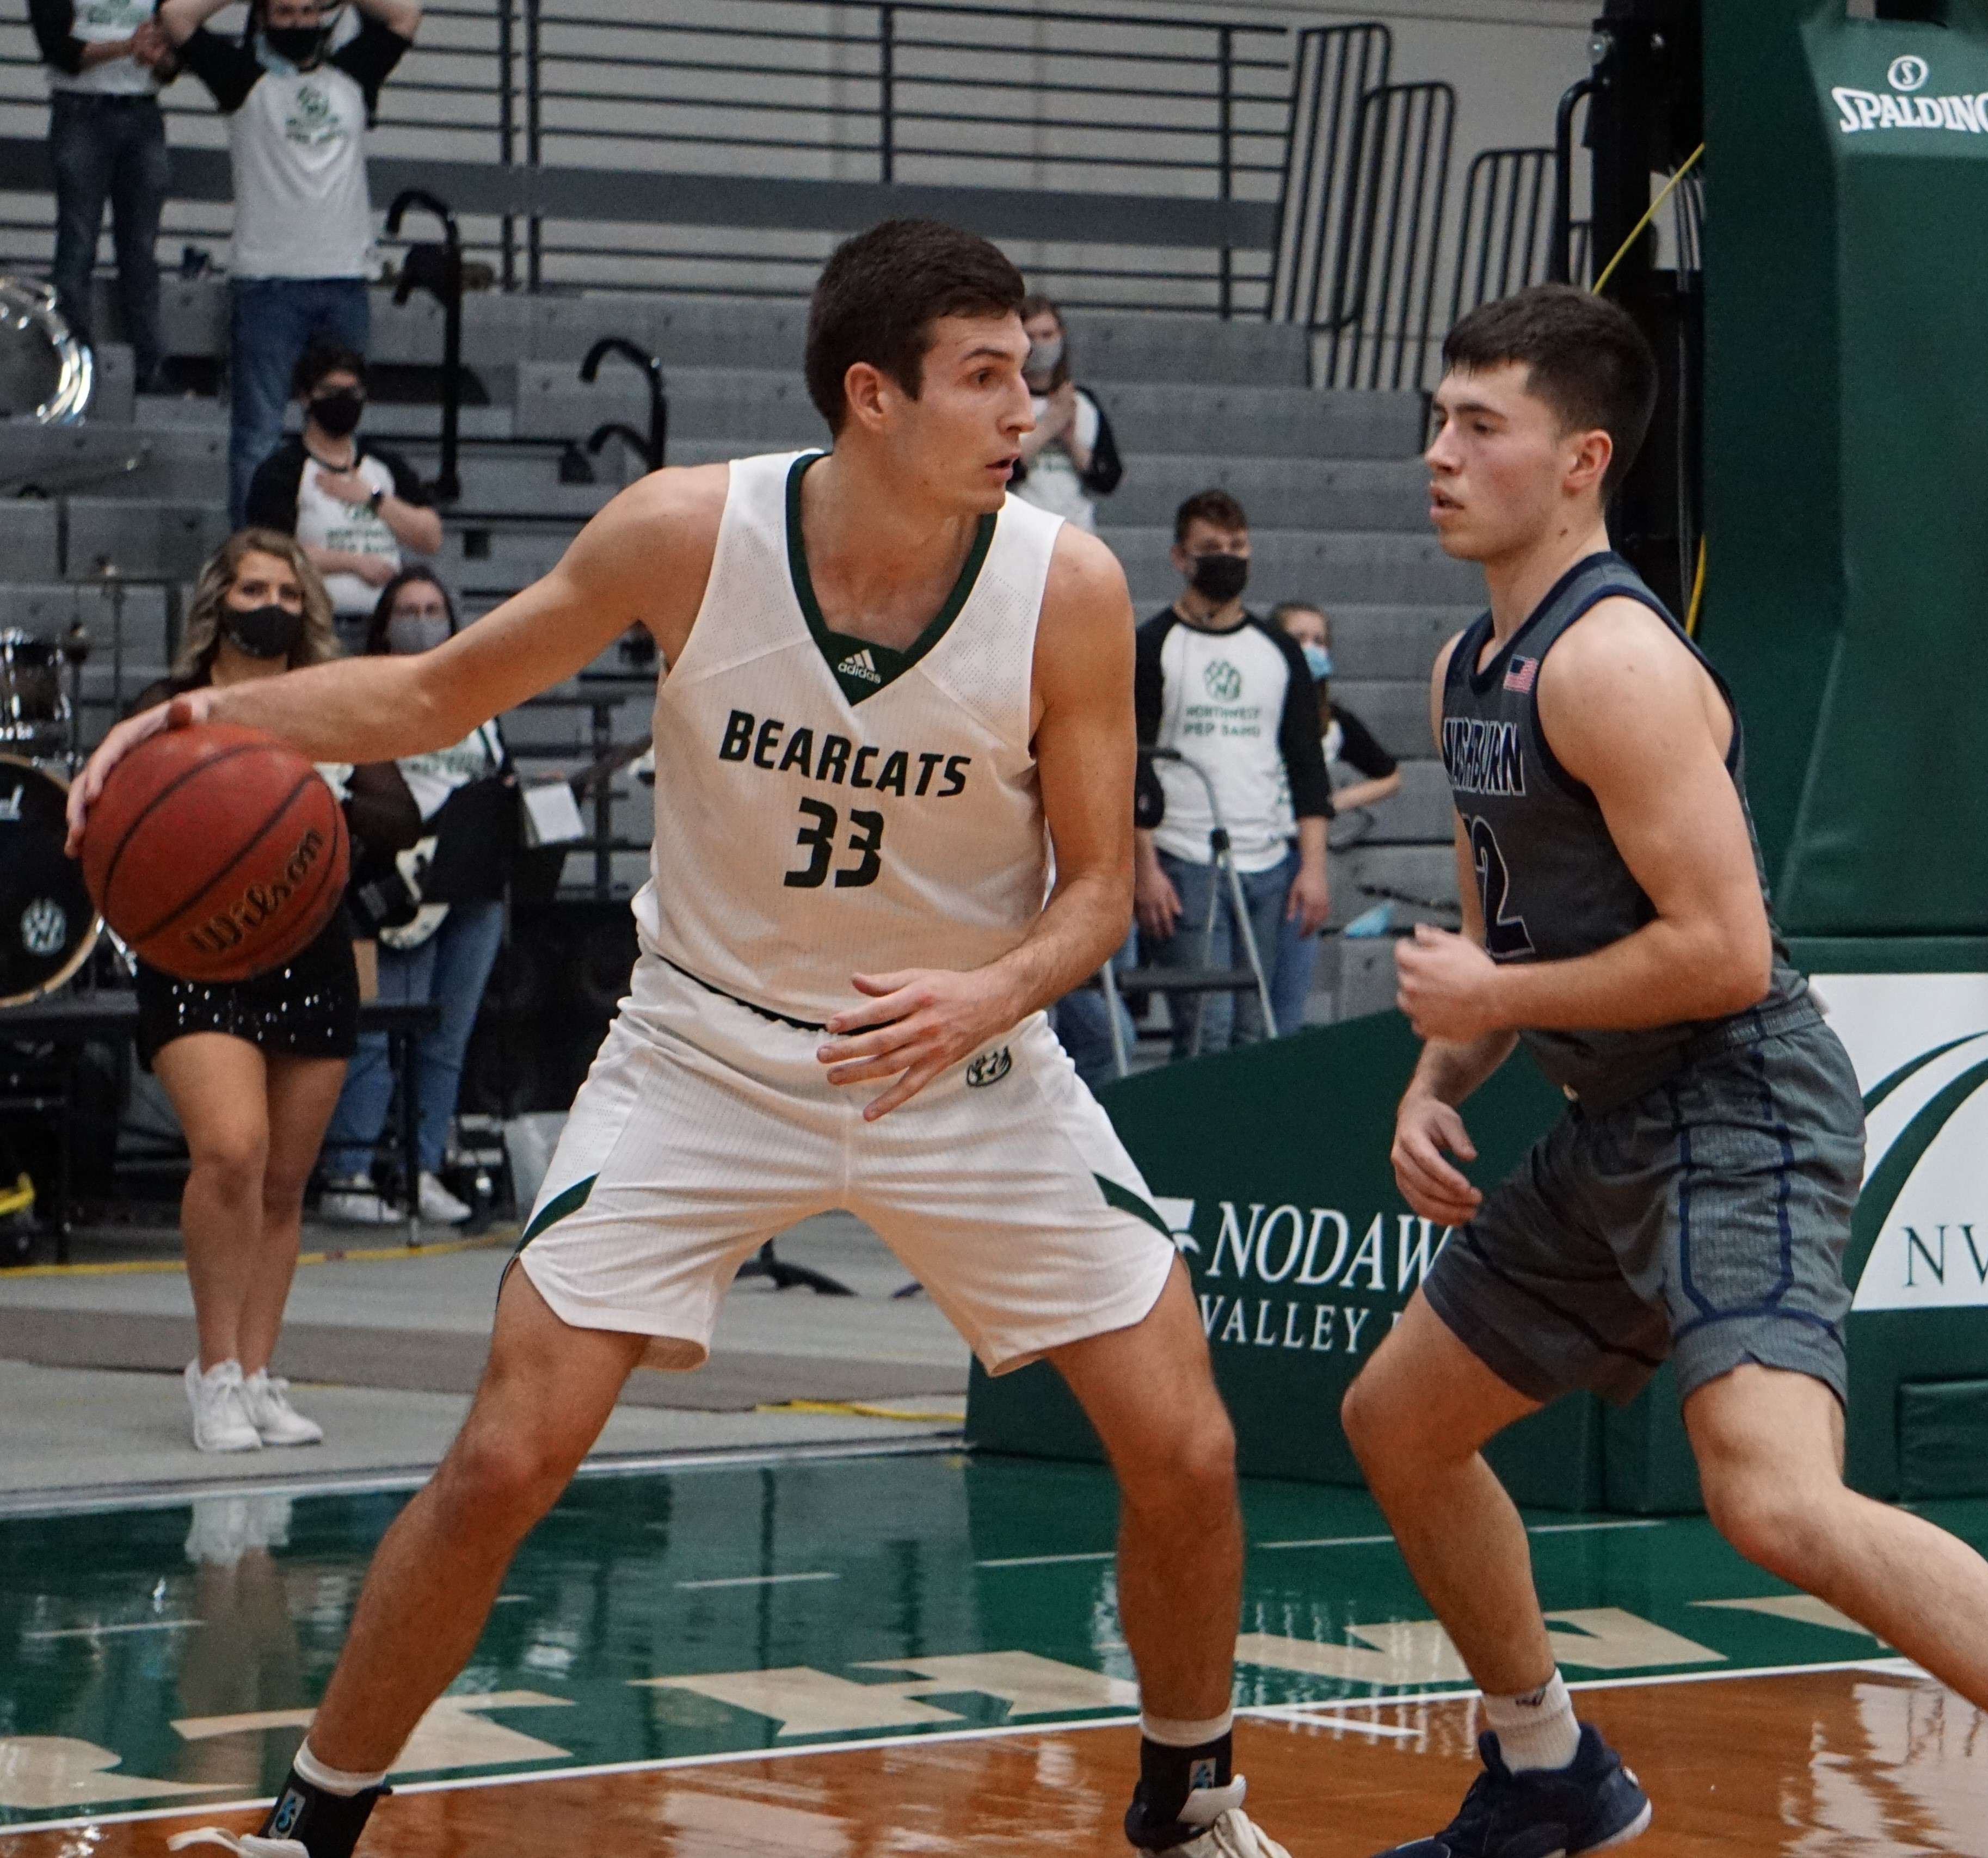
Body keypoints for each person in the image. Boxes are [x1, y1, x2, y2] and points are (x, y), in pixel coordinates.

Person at [72, 218, 1285, 1858]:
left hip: (962, 1061)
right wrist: (204, 718)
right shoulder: (686, 533)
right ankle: (312, 1821)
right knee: (505, 1453)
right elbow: (433, 695)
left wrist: (991, 993)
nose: (1025, 413)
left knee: (1189, 1443)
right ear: (873, 396)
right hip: (705, 1053)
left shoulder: (1064, 586)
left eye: (1027, 375)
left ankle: (1188, 1794)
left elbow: (1090, 893)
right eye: (985, 378)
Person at [1335, 283, 1988, 1858]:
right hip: (1610, 1118)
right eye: (1435, 417)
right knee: (1395, 1419)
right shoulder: (1468, 667)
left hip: (1733, 1100)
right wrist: (1438, 1072)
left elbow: (1719, 946)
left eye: (1474, 424)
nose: (1435, 450)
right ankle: (1546, 1761)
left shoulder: (1612, 664)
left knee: (1770, 1499)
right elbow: (1503, 923)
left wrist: (1490, 987)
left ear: (1577, 460)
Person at [131, 530, 418, 1454]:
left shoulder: (332, 703)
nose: (273, 606)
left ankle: (257, 1373)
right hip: (196, 948)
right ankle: (211, 1372)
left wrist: (294, 808)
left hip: (310, 947)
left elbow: (398, 813)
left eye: (290, 594)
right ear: (220, 600)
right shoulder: (170, 706)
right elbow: (106, 815)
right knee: (230, 1149)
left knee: (286, 1181)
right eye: (255, 588)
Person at [155, 0, 422, 525]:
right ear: (263, 17)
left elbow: (405, 14)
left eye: (308, 11)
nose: (298, 22)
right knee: (257, 434)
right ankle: (252, 553)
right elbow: (178, 16)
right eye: (284, 11)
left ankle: (336, 547)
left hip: (346, 281)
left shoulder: (352, 74)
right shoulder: (241, 79)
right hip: (268, 286)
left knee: (342, 428)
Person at [319, 568, 515, 1228]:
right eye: (408, 609)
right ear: (382, 622)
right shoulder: (367, 693)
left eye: (434, 608)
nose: (423, 620)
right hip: (390, 885)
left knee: (446, 1039)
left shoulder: (479, 697)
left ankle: (422, 1167)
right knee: (377, 1033)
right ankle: (350, 1168)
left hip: (469, 884)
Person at [1135, 490, 1331, 1055]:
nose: (1228, 557)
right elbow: (1134, 773)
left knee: (1258, 1031)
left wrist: (1313, 867)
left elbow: (1307, 766)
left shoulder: (1278, 650)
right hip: (1185, 860)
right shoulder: (1153, 646)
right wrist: (1144, 869)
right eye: (1211, 548)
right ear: (1180, 558)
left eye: (1237, 546)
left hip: (1269, 860)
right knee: (1206, 1030)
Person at [246, 343, 443, 642]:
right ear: (306, 397)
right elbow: (273, 551)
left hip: (387, 629)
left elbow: (430, 536)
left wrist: (373, 500)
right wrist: (354, 563)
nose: (344, 401)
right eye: (332, 392)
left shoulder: (384, 465)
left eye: (353, 393)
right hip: (318, 625)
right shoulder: (282, 471)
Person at [1266, 600, 1401, 1033]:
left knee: (1288, 1000)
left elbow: (1388, 776)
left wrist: (1331, 802)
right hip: (1248, 850)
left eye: (1318, 640)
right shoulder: (1256, 710)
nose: (1310, 648)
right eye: (1298, 639)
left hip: (1299, 856)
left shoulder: (1333, 721)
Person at [33, 0, 174, 392]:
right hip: (81, 111)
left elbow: (173, 63)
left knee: (141, 250)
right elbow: (61, 52)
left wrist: (160, 58)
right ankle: (76, 364)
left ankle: (149, 367)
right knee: (78, 245)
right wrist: (128, 48)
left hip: (142, 112)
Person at [1008, 293, 1121, 533]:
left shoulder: (1083, 402)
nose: (1040, 345)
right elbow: (1005, 472)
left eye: (1047, 335)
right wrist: (1049, 426)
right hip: (1021, 530)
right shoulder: (1004, 400)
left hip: (1076, 529)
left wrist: (1070, 441)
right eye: (1031, 337)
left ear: (1061, 336)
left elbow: (1108, 478)